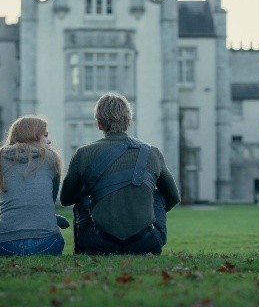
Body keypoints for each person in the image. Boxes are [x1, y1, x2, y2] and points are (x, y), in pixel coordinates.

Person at [60, 93, 181, 255]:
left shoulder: (83, 154)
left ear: (99, 124)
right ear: (128, 121)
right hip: (145, 243)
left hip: (99, 243)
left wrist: (92, 190)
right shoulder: (152, 152)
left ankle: (82, 251)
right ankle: (150, 241)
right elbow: (173, 197)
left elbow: (67, 198)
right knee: (160, 195)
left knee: (81, 200)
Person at [0, 115, 69, 257]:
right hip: (46, 243)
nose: (49, 141)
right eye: (45, 135)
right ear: (35, 135)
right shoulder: (50, 157)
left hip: (4, 245)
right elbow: (51, 200)